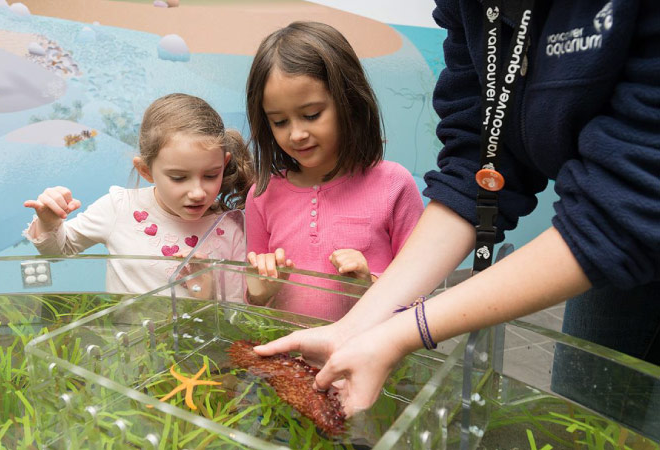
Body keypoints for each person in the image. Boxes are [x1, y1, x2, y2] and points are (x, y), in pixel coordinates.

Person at [254, 0, 660, 433]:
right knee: (585, 408)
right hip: (612, 243)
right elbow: (479, 161)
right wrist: (356, 328)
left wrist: (396, 333)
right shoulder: (469, 9)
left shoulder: (390, 184)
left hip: (626, 223)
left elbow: (628, 202)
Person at [243, 21, 425, 321]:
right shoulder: (261, 195)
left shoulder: (394, 185)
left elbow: (419, 292)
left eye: (311, 115)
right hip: (287, 360)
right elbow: (255, 304)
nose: (297, 134)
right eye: (279, 121)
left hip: (369, 356)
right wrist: (259, 292)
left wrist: (369, 286)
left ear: (349, 102)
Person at [23, 93, 255, 295]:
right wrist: (48, 221)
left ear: (223, 165)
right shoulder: (119, 208)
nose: (197, 193)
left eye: (210, 175)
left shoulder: (230, 229)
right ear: (146, 171)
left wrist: (206, 289)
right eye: (178, 178)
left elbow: (234, 312)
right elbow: (59, 251)